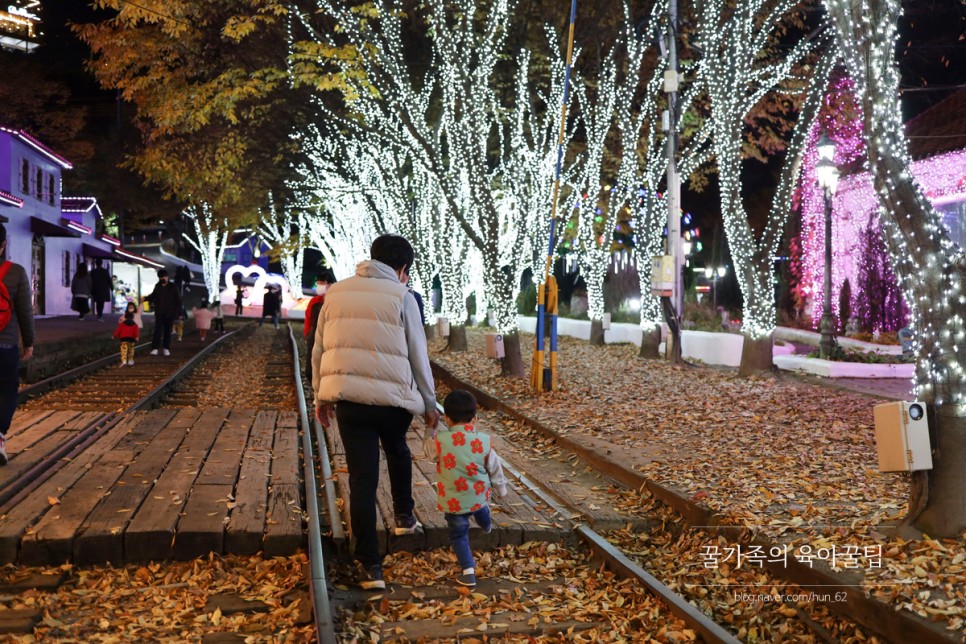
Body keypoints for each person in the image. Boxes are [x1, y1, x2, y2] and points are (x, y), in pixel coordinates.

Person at [312, 234, 439, 591]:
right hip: (394, 401)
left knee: (362, 481)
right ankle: (403, 515)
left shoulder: (335, 293)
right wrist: (430, 405)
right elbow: (418, 354)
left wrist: (320, 398)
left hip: (350, 401)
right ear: (402, 269)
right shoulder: (404, 296)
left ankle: (370, 567)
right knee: (397, 447)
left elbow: (319, 349)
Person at [433, 390, 507, 587]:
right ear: (475, 419)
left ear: (446, 418)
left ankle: (468, 573)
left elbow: (426, 451)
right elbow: (495, 467)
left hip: (453, 500)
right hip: (477, 494)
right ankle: (486, 525)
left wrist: (429, 431)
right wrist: (501, 489)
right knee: (481, 508)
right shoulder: (483, 441)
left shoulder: (439, 441)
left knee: (458, 535)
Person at [0, 224, 35, 466]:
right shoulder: (16, 272)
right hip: (6, 344)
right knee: (6, 391)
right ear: (3, 245)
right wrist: (29, 342)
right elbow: (25, 311)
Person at [304, 272, 335, 384]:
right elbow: (308, 318)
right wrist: (307, 334)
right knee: (311, 367)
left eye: (322, 284)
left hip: (329, 336)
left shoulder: (335, 300)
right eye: (318, 283)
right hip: (314, 335)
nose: (319, 286)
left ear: (330, 285)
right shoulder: (314, 301)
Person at [144, 269, 182, 356]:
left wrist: (180, 313)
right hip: (159, 312)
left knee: (167, 331)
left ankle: (166, 348)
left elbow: (178, 300)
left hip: (170, 313)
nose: (163, 278)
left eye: (164, 277)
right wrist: (146, 298)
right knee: (158, 330)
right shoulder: (157, 286)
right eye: (161, 277)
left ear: (167, 277)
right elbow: (153, 295)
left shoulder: (173, 287)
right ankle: (155, 348)